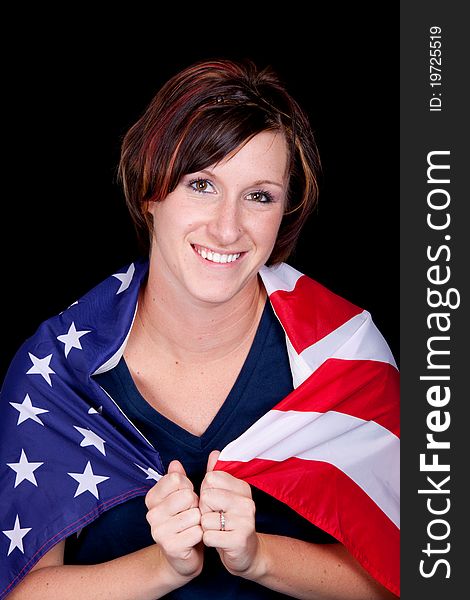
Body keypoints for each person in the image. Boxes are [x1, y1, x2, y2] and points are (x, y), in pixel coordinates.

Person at [0, 59, 399, 599]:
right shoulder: (56, 373)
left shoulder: (344, 356)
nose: (228, 226)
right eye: (202, 184)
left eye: (259, 195)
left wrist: (258, 557)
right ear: (150, 191)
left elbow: (403, 575)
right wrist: (165, 567)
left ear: (286, 210)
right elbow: (26, 592)